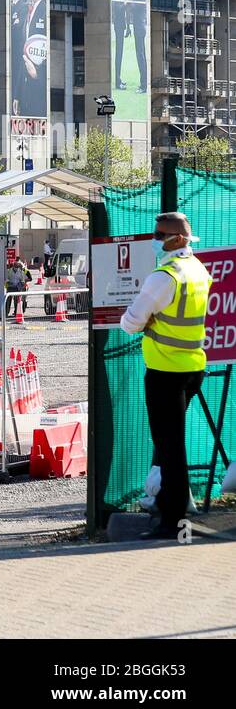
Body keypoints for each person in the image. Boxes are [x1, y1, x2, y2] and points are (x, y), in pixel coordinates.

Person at [120, 212, 212, 541]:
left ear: (176, 239)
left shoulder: (164, 277)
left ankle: (172, 522)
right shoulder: (198, 270)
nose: (156, 240)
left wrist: (144, 322)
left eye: (160, 235)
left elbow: (130, 322)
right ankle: (167, 505)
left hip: (165, 372)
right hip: (193, 367)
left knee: (170, 448)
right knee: (170, 445)